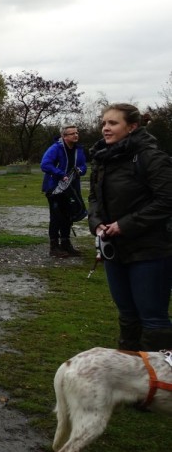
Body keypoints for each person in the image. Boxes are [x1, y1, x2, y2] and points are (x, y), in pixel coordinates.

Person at [88, 103, 172, 352]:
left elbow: (167, 201)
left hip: (150, 251)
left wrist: (125, 225)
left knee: (152, 319)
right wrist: (96, 223)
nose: (105, 128)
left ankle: (159, 374)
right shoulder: (103, 158)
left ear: (132, 126)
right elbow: (94, 198)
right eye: (104, 123)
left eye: (113, 123)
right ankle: (131, 368)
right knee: (127, 316)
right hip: (115, 249)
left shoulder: (151, 157)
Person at [41, 124, 88, 257]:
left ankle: (66, 244)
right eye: (72, 133)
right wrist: (60, 174)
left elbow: (83, 165)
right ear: (64, 136)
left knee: (69, 215)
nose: (76, 135)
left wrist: (80, 170)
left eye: (77, 133)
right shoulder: (56, 148)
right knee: (56, 216)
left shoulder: (79, 149)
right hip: (55, 188)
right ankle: (54, 247)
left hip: (71, 188)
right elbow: (45, 164)